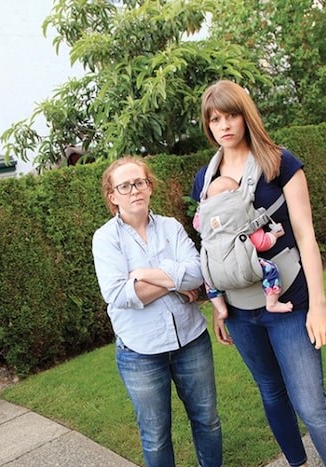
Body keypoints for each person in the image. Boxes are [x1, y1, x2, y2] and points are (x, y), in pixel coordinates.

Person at [191, 80, 326, 467]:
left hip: (291, 303)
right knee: (271, 393)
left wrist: (319, 305)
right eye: (215, 119)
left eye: (231, 116)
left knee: (311, 405)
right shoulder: (204, 180)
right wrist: (219, 306)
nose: (224, 126)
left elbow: (306, 234)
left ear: (246, 116)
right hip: (242, 312)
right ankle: (298, 463)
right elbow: (213, 248)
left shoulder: (280, 162)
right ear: (207, 125)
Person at [92, 156, 223, 467]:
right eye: (124, 186)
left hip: (191, 341)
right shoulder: (105, 239)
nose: (134, 190)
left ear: (150, 187)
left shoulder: (171, 227)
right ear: (113, 196)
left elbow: (197, 273)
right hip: (140, 352)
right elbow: (117, 294)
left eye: (140, 182)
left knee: (207, 420)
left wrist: (142, 273)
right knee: (155, 435)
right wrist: (173, 283)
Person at [194, 175, 293, 319]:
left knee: (209, 283)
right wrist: (274, 235)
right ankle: (272, 303)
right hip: (245, 267)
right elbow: (261, 243)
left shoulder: (202, 223)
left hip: (215, 273)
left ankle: (221, 309)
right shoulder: (242, 218)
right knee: (270, 269)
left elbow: (196, 224)